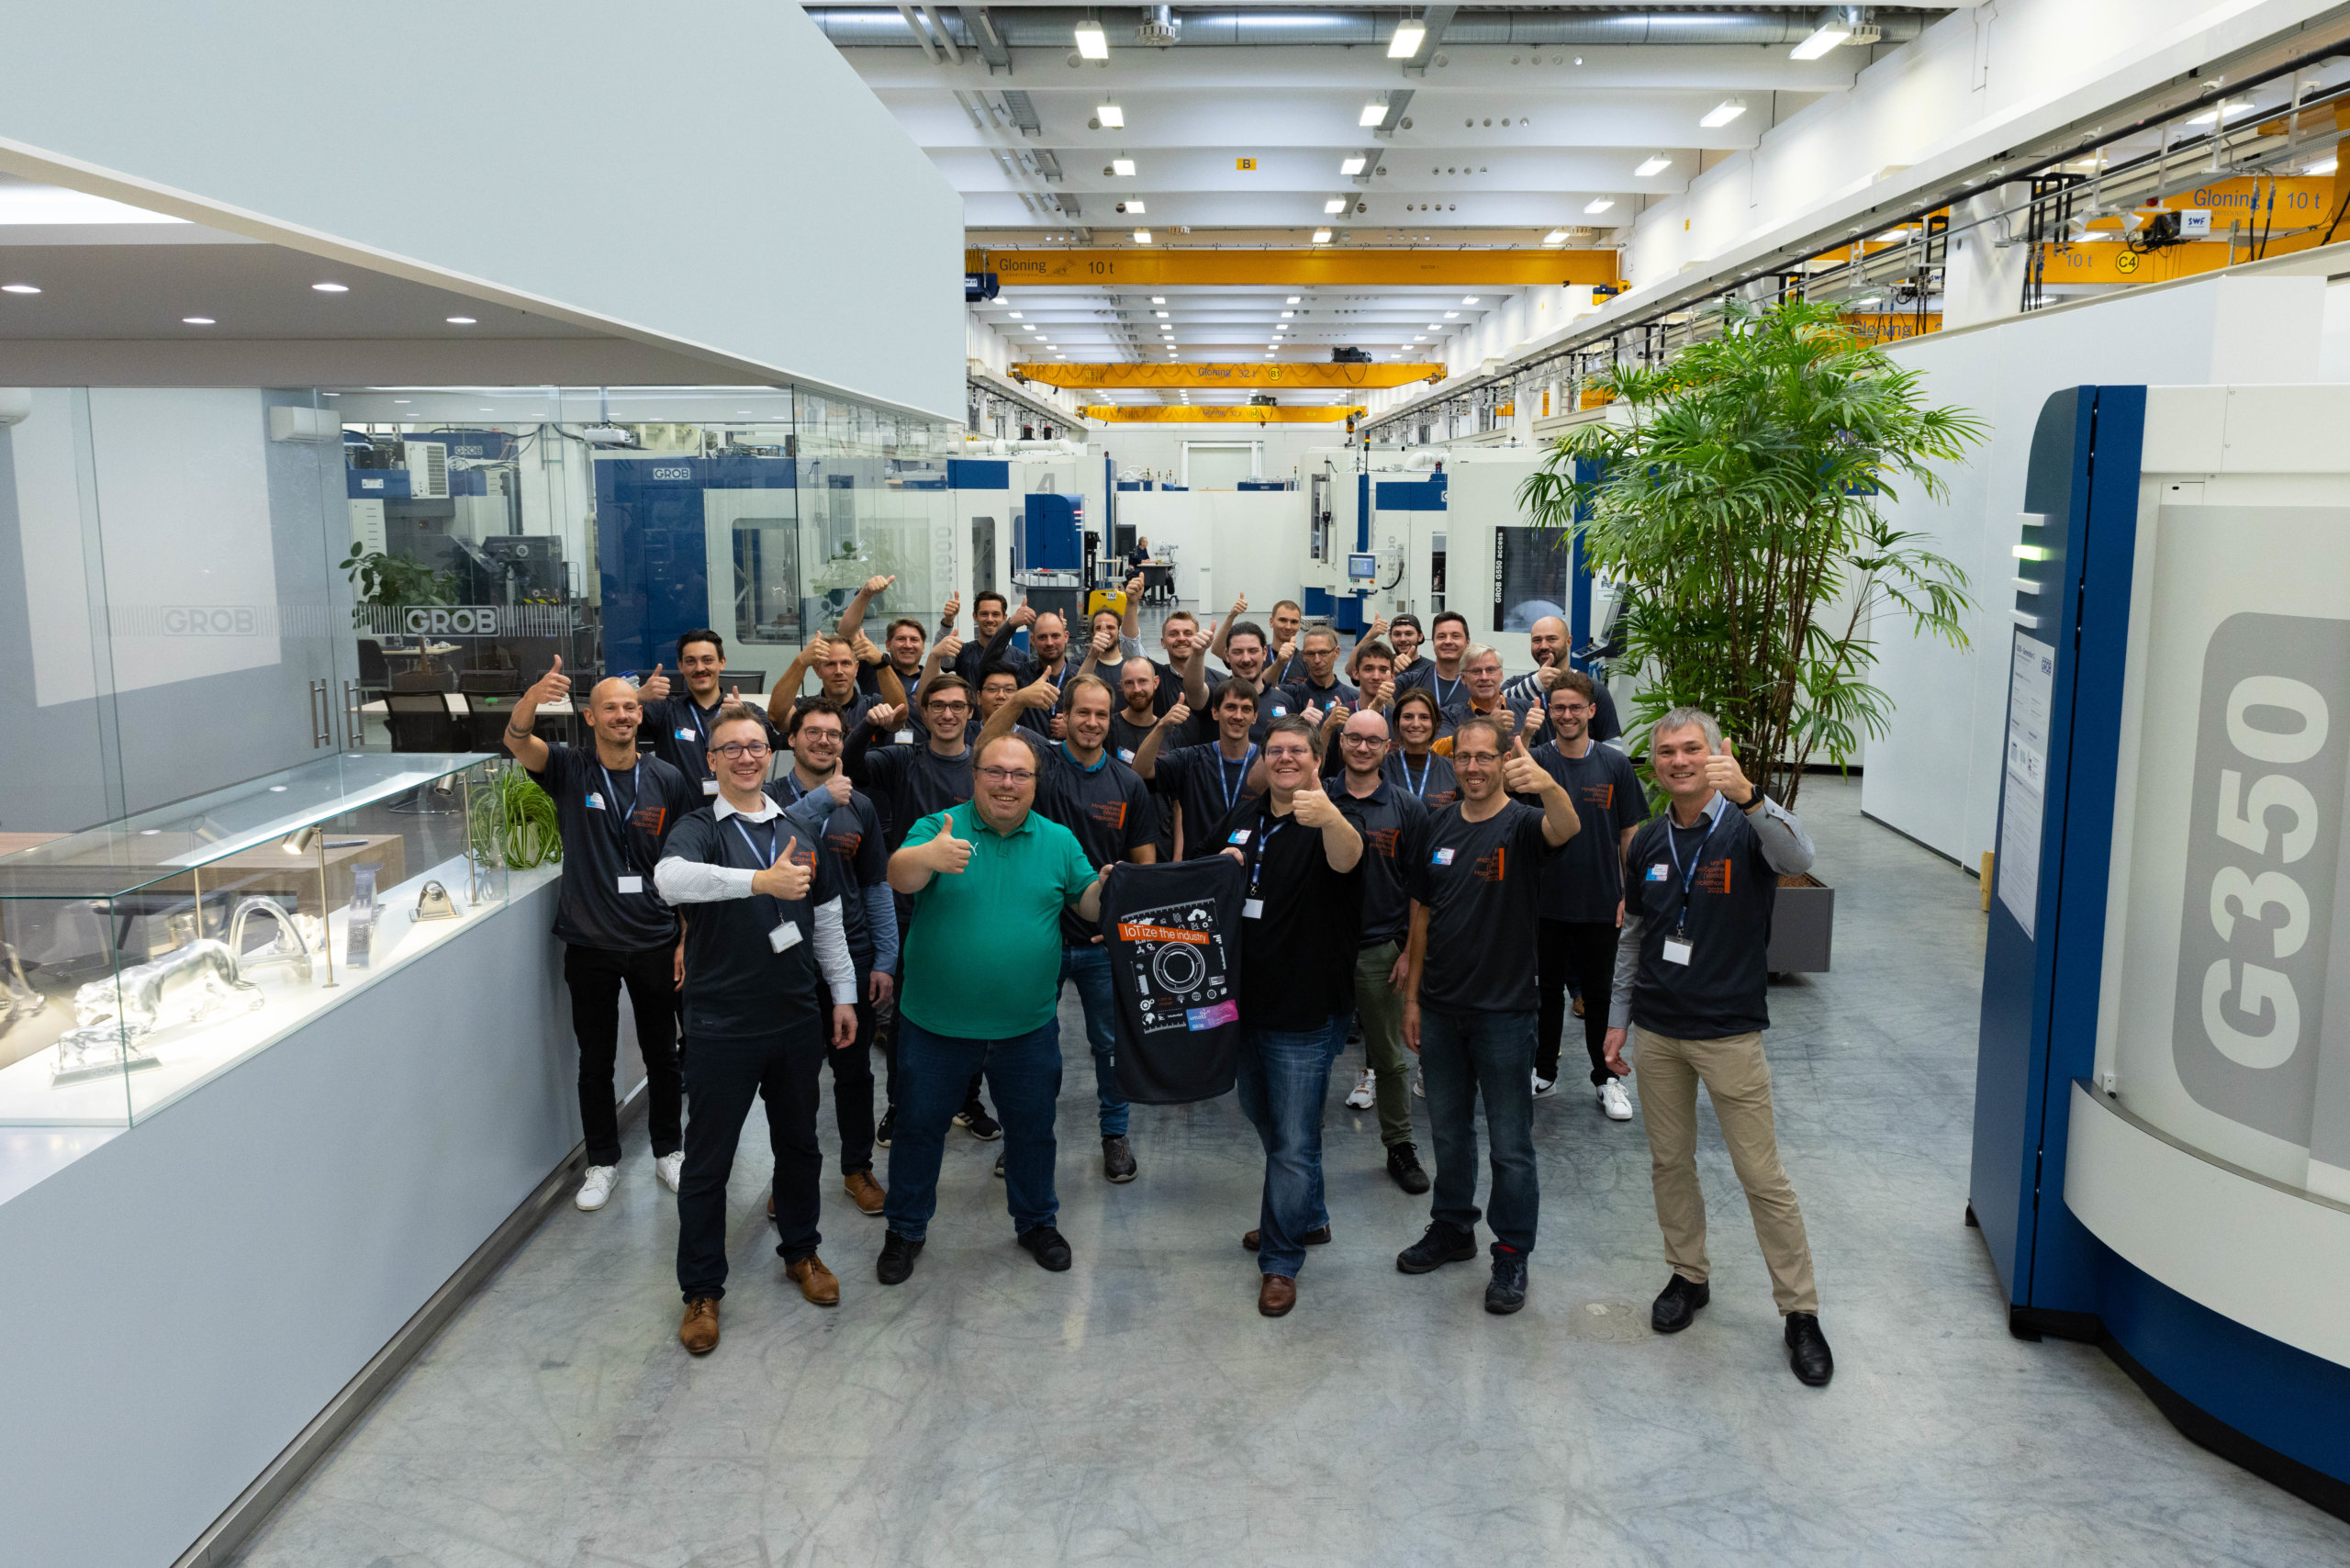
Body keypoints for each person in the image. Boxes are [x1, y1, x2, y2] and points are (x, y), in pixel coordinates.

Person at [1605, 710, 1833, 1385]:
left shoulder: (1746, 827)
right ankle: (1688, 1274)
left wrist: (1752, 797)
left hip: (1730, 1033)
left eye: (1690, 749)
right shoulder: (1647, 842)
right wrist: (1618, 1019)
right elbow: (1633, 938)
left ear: (1714, 754)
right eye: (1666, 752)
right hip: (1659, 1031)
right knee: (1670, 1163)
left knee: (1762, 1177)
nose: (1678, 761)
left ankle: (1799, 1311)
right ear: (1654, 763)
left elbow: (1801, 859)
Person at [655, 707, 860, 1352]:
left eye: (754, 747)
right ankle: (701, 1290)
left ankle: (802, 1251)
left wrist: (843, 996)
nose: (745, 757)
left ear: (769, 755)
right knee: (708, 1163)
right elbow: (669, 881)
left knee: (799, 1147)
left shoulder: (799, 827)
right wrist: (759, 882)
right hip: (721, 1024)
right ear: (711, 760)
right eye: (731, 748)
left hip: (795, 1017)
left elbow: (828, 920)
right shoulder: (698, 829)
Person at [877, 734, 1110, 1284]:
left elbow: (1089, 906)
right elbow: (899, 874)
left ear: (1035, 783)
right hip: (935, 1026)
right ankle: (905, 1228)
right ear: (975, 775)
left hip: (1026, 1028)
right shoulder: (940, 827)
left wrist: (1106, 886)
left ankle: (1036, 1221)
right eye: (996, 772)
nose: (1008, 783)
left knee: (1033, 1131)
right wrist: (927, 857)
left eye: (1020, 774)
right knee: (918, 1130)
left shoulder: (1057, 840)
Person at [1396, 720, 1580, 1316]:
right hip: (1441, 1008)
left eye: (1485, 757)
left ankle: (1512, 1251)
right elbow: (1422, 915)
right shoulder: (1437, 824)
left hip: (1504, 1012)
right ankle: (1453, 1227)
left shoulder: (1524, 825)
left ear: (1504, 762)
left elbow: (1566, 827)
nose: (1473, 767)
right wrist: (1413, 999)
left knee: (1509, 1143)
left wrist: (1547, 784)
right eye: (1464, 758)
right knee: (1448, 1131)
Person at [504, 656, 699, 1211]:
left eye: (630, 707)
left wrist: (685, 937)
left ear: (641, 714)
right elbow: (516, 741)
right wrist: (532, 698)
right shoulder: (569, 769)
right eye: (609, 708)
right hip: (589, 941)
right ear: (590, 718)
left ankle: (669, 1150)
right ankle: (602, 1162)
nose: (622, 716)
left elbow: (683, 861)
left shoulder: (667, 778)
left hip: (654, 937)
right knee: (596, 1060)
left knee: (664, 1056)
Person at [980, 671, 1157, 1183]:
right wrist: (1018, 699)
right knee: (1027, 1047)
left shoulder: (1127, 783)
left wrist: (1120, 925)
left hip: (1102, 944)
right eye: (1083, 712)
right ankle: (1021, 1137)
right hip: (1038, 939)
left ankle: (1115, 1135)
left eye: (1102, 714)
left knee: (1111, 1045)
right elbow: (988, 744)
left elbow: (1143, 865)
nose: (1092, 722)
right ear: (1065, 715)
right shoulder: (1040, 764)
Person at [1216, 716, 1363, 1316]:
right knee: (1266, 1118)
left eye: (1296, 750)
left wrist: (1328, 816)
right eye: (1274, 749)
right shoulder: (1243, 817)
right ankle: (1309, 1214)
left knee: (1294, 1140)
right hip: (1242, 1005)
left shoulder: (1332, 819)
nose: (1284, 758)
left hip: (1304, 1010)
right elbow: (1202, 883)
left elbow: (1349, 859)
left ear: (1316, 760)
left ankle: (1280, 1260)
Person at [845, 674, 996, 1144]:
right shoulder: (901, 758)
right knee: (907, 1017)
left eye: (957, 706)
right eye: (938, 706)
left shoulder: (985, 768)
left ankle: (967, 1100)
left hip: (971, 909)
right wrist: (868, 727)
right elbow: (850, 766)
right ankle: (899, 1104)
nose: (947, 714)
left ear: (970, 712)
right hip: (910, 909)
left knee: (972, 1008)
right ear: (924, 713)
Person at [771, 698, 897, 1215]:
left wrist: (885, 958)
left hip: (854, 953)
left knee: (854, 1072)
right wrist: (822, 799)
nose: (824, 741)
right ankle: (790, 1175)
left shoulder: (859, 805)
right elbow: (769, 840)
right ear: (792, 739)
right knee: (791, 1079)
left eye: (833, 734)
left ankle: (856, 1167)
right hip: (789, 959)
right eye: (813, 732)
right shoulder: (768, 798)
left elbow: (876, 886)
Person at [1524, 672, 1646, 1113]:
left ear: (1592, 711)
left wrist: (1630, 894)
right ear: (1548, 711)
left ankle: (1606, 1077)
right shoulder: (1536, 762)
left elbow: (1630, 833)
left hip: (1601, 903)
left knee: (1599, 996)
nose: (1567, 715)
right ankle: (1543, 1072)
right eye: (1559, 707)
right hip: (1544, 903)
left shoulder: (1615, 765)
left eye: (1576, 707)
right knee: (1544, 995)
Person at [1327, 709, 1431, 1194]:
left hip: (1380, 950)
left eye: (1374, 741)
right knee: (1310, 1053)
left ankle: (1400, 1146)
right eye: (1355, 739)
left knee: (1389, 1057)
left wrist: (1408, 951)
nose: (1363, 748)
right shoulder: (1318, 797)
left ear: (1388, 748)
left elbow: (1421, 890)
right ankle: (1301, 1143)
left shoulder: (1408, 807)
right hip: (1322, 950)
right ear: (1341, 742)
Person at [636, 628, 776, 797]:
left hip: (738, 811)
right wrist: (638, 698)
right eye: (690, 661)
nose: (700, 668)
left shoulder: (749, 712)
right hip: (681, 812)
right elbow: (616, 724)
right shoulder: (664, 710)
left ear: (722, 662)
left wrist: (746, 722)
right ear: (680, 666)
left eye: (707, 660)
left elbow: (771, 744)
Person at [1133, 679, 1264, 859]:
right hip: (1199, 868)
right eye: (1231, 707)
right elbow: (1140, 771)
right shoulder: (1191, 759)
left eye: (1246, 709)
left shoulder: (1266, 764)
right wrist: (1161, 727)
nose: (1238, 716)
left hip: (1248, 869)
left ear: (1255, 717)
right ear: (1215, 712)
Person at [1500, 615, 1623, 745]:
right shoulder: (1515, 684)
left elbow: (1612, 746)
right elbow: (1496, 705)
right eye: (1537, 640)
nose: (1543, 646)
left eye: (1551, 639)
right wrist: (1537, 683)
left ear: (1568, 642)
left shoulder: (1594, 690)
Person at [1433, 644, 1534, 751]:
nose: (1484, 677)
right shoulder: (1448, 715)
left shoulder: (1527, 710)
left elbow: (1544, 753)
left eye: (1490, 670)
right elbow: (1437, 751)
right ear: (1463, 678)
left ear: (1501, 674)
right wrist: (1487, 725)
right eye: (1476, 671)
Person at [1385, 688, 1458, 810]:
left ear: (1436, 723)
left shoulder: (1453, 770)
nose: (1416, 724)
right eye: (1408, 717)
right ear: (1397, 722)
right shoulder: (1381, 767)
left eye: (1424, 717)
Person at [1393, 610, 1470, 706]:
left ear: (1467, 642)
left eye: (1455, 636)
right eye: (1441, 636)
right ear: (1433, 642)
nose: (1448, 641)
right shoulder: (1409, 681)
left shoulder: (1478, 683)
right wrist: (1390, 673)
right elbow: (1382, 708)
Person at [1281, 626, 1358, 716]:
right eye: (1310, 653)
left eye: (1323, 653)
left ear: (1336, 653)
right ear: (1303, 656)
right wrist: (1279, 663)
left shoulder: (1353, 698)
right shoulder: (1291, 694)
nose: (1317, 660)